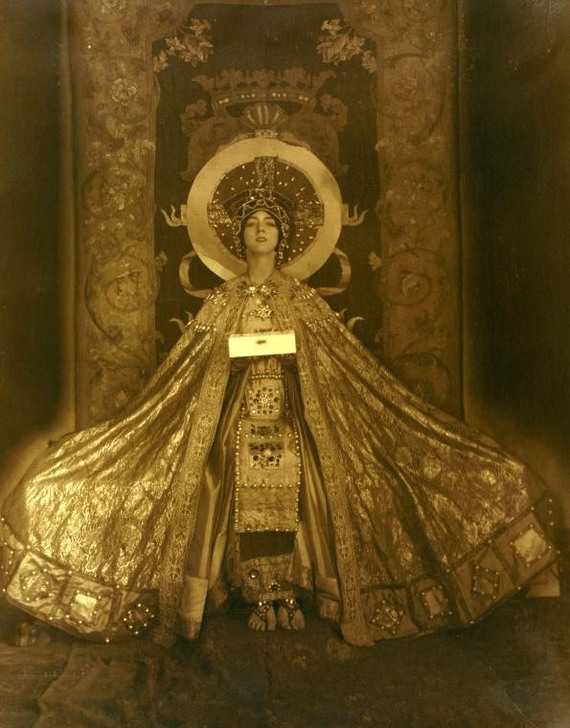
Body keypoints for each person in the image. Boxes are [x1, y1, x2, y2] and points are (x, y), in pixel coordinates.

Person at [0, 146, 557, 648]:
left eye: (270, 222)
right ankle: (221, 589)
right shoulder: (222, 302)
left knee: (314, 487)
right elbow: (187, 376)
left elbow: (341, 367)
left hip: (296, 419)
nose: (261, 229)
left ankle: (304, 587)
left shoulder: (304, 301)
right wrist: (232, 363)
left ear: (283, 237)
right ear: (238, 237)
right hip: (230, 421)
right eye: (253, 223)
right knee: (209, 481)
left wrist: (293, 364)